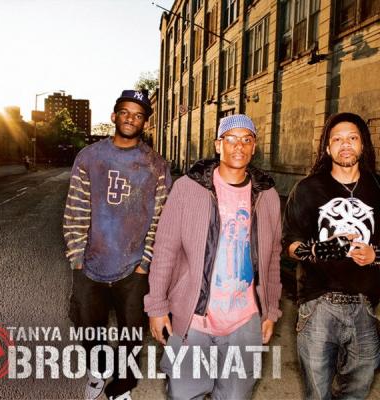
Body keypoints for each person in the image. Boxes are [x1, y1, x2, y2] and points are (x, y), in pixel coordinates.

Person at [145, 114, 282, 399]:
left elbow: (272, 258)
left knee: (235, 395)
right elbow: (165, 249)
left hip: (245, 319)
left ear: (254, 146)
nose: (239, 146)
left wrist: (271, 311)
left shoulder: (267, 195)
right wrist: (156, 306)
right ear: (218, 145)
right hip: (194, 317)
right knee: (185, 394)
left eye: (246, 139)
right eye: (231, 139)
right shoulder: (188, 188)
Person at [63, 89, 171, 400]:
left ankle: (122, 387)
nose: (130, 119)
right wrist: (77, 257)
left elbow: (160, 216)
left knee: (132, 335)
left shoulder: (156, 165)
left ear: (145, 123)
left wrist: (145, 262)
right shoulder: (90, 156)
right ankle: (98, 370)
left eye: (138, 115)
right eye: (125, 112)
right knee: (87, 326)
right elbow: (76, 207)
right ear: (114, 116)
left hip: (133, 267)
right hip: (91, 262)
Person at [282, 112, 380, 399]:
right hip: (318, 304)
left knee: (357, 391)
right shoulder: (307, 189)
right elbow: (289, 244)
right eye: (337, 139)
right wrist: (319, 249)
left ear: (363, 145)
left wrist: (375, 255)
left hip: (366, 305)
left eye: (352, 138)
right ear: (327, 148)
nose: (345, 144)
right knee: (317, 394)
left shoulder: (378, 188)